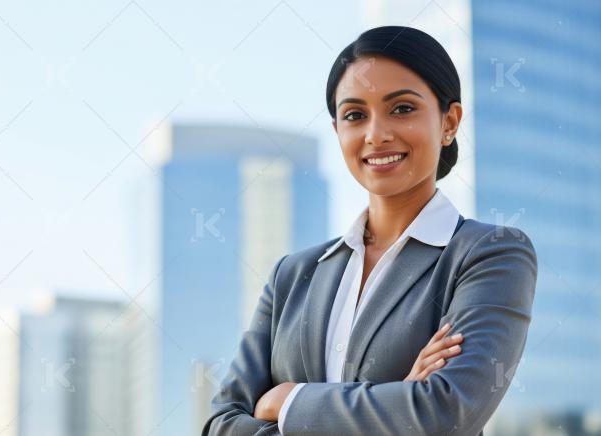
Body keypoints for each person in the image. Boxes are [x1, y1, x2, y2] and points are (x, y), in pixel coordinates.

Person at [203, 25, 537, 436]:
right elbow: (221, 424)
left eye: (402, 108)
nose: (376, 135)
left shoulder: (489, 255)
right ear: (338, 131)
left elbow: (444, 412)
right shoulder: (290, 276)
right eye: (355, 115)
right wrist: (398, 401)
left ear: (449, 122)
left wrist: (287, 400)